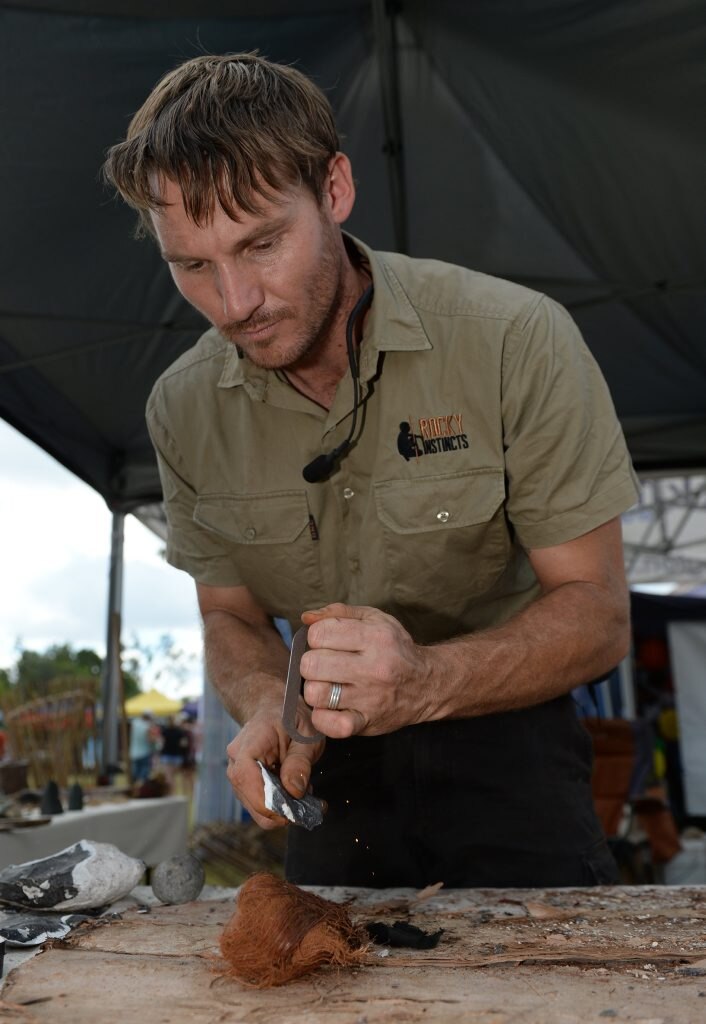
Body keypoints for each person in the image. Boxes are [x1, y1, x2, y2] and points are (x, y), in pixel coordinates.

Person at [103, 53, 640, 888]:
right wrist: (267, 710)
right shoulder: (183, 408)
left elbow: (599, 615)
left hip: (513, 751)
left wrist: (425, 680)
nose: (235, 301)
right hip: (330, 771)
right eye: (193, 266)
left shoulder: (513, 341)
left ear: (336, 190)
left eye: (262, 244)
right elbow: (230, 618)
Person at [129, 711, 158, 782]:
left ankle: (134, 790)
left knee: (134, 775)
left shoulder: (135, 723)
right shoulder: (147, 726)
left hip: (133, 753)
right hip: (145, 753)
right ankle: (141, 790)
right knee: (144, 776)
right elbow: (151, 739)